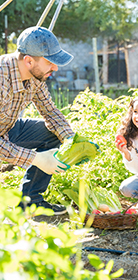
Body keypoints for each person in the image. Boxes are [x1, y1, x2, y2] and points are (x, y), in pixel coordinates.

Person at [0, 26, 75, 214]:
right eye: (50, 61)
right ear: (28, 61)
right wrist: (35, 158)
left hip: (7, 129)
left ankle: (30, 202)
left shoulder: (35, 77)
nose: (55, 68)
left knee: (52, 133)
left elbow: (50, 112)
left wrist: (72, 141)